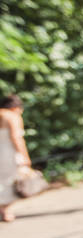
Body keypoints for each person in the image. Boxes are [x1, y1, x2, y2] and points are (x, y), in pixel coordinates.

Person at [0, 94, 32, 222]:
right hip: (7, 153)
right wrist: (25, 156)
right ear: (15, 107)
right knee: (9, 181)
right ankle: (6, 210)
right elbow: (17, 138)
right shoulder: (12, 116)